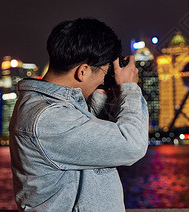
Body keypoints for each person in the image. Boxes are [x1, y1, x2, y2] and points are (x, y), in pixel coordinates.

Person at [9, 18, 149, 212]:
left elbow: (87, 140)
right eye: (103, 72)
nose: (103, 78)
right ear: (82, 71)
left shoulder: (49, 106)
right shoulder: (48, 118)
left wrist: (101, 94)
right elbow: (132, 145)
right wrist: (130, 88)